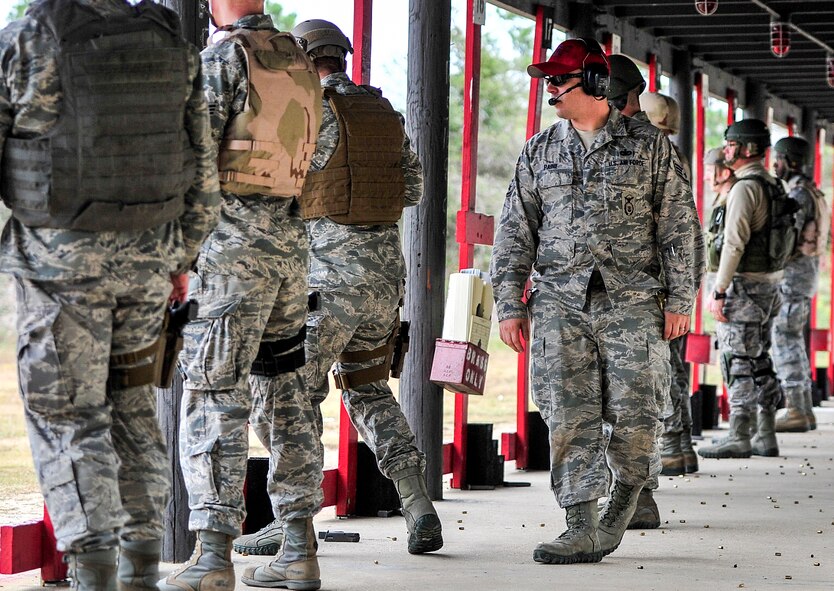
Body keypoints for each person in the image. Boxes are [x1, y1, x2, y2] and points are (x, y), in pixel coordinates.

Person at [0, 1, 221, 589]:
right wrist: (181, 258)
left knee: (69, 414)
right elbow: (203, 165)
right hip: (149, 264)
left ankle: (93, 569)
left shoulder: (26, 39)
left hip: (59, 269)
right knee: (131, 406)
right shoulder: (170, 44)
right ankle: (140, 566)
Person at [490, 37, 703, 565]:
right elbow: (515, 231)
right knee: (567, 412)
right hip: (559, 300)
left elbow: (680, 225)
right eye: (546, 81)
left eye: (558, 81)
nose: (549, 89)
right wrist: (509, 303)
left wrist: (681, 297)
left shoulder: (650, 147)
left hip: (633, 300)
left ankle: (623, 507)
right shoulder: (540, 150)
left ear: (594, 83)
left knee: (637, 412)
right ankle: (579, 523)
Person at [159, 1, 325, 590]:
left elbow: (188, 156)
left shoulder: (225, 56)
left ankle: (211, 557)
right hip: (289, 249)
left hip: (228, 256)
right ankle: (299, 547)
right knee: (285, 398)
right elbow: (315, 152)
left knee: (212, 397)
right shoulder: (300, 60)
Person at [289, 18, 441, 556]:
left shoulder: (306, 113)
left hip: (323, 284)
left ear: (305, 59)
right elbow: (414, 187)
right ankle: (418, 504)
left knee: (291, 393)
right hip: (382, 284)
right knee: (370, 390)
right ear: (343, 56)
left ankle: (294, 524)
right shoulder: (385, 114)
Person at [699, 119, 795, 460]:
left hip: (743, 288)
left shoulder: (744, 188)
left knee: (736, 359)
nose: (726, 153)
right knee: (759, 360)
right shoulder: (773, 184)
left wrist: (719, 290)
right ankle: (766, 433)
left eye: (731, 146)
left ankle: (740, 434)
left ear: (747, 149)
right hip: (770, 287)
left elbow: (733, 243)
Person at [642, 92, 700, 477]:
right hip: (673, 280)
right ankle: (679, 445)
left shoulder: (659, 154)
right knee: (672, 364)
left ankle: (675, 444)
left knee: (663, 367)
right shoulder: (673, 153)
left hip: (661, 281)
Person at [771, 137, 828, 432]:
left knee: (786, 341)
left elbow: (788, 237)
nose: (775, 163)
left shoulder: (799, 195)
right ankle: (802, 409)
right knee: (793, 341)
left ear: (790, 161)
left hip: (792, 278)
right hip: (804, 277)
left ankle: (795, 408)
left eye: (779, 158)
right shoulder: (813, 191)